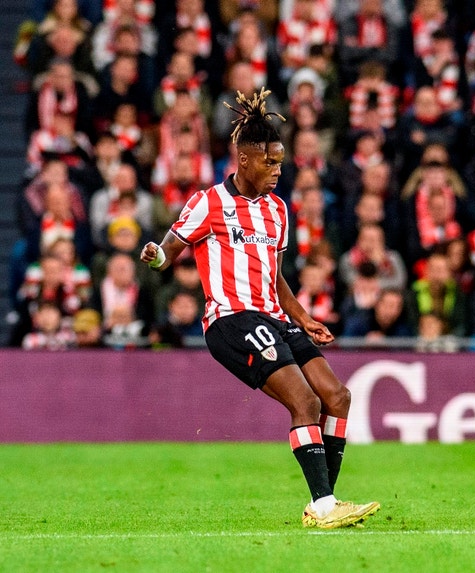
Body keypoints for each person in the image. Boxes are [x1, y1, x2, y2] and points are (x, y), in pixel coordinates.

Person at [140, 88, 379, 529]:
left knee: (338, 397)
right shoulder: (209, 203)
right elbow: (168, 254)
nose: (277, 171)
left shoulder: (278, 210)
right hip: (231, 319)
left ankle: (324, 501)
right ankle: (325, 507)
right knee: (304, 400)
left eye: (281, 162)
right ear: (244, 160)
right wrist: (154, 253)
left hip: (276, 316)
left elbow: (277, 276)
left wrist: (303, 318)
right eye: (270, 163)